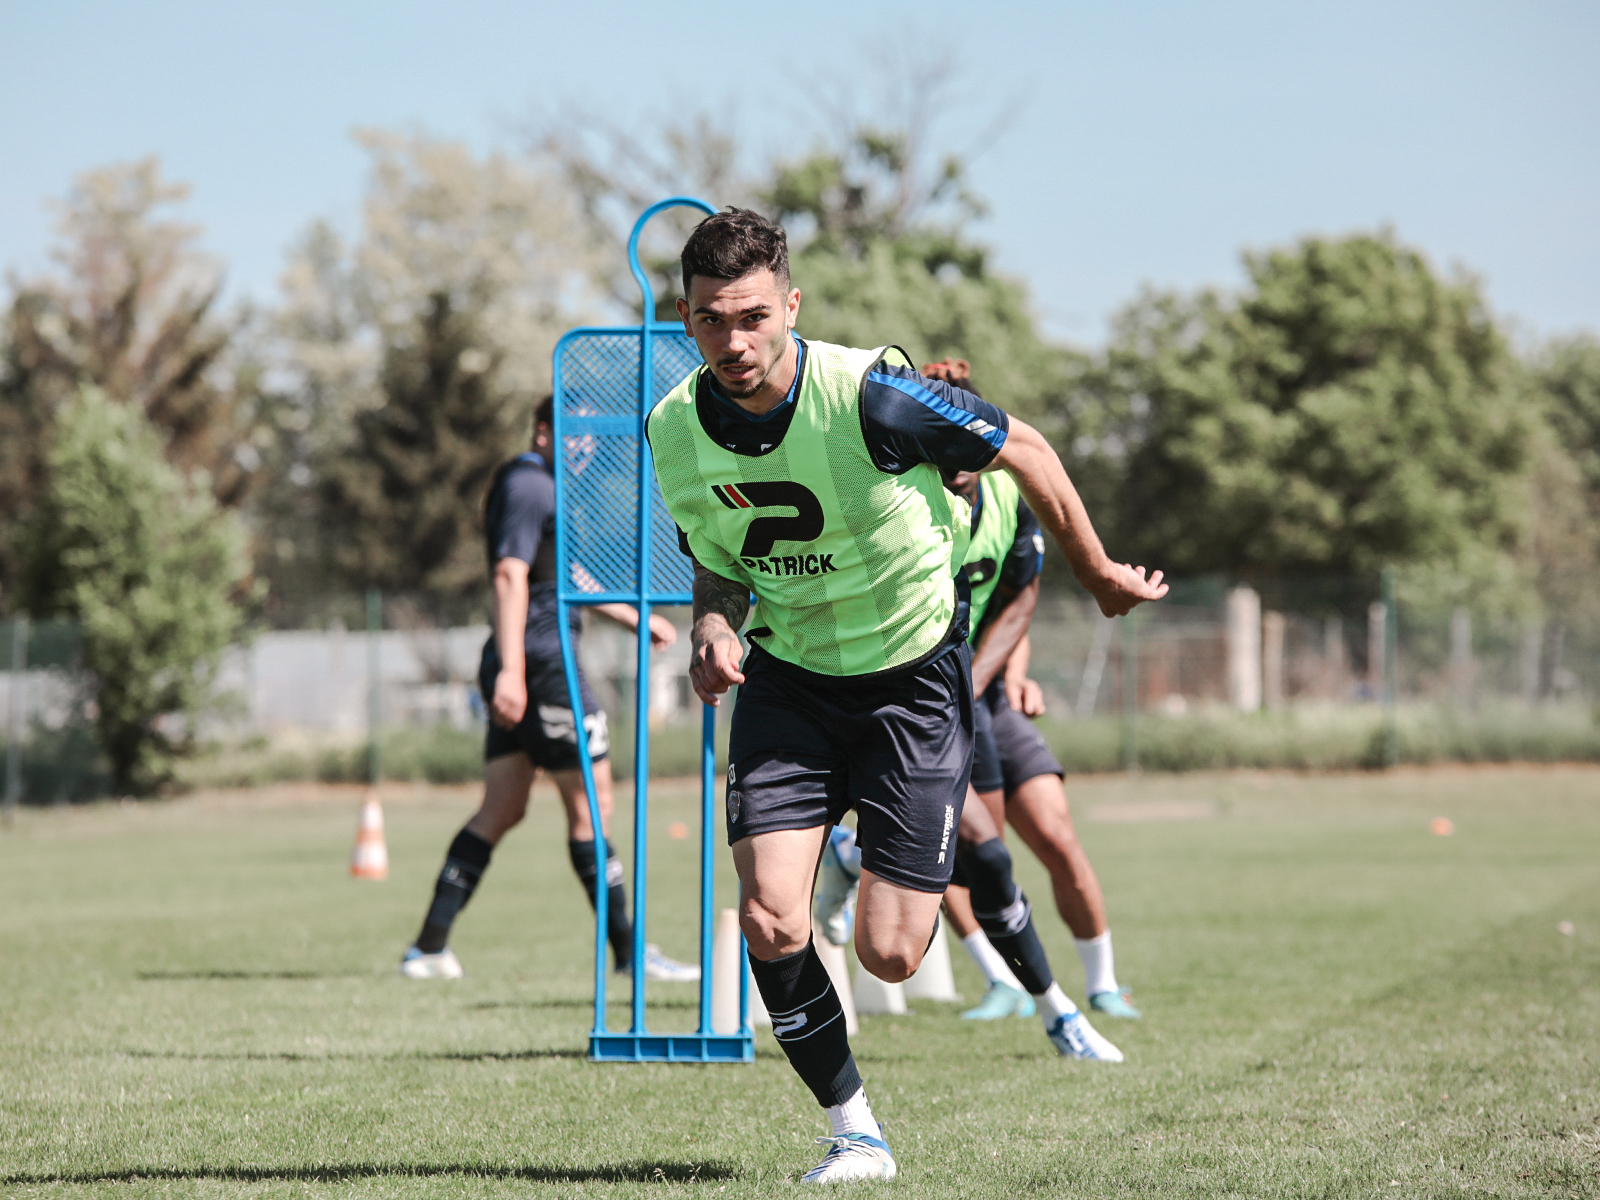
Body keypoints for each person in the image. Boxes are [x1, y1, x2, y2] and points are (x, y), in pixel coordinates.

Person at [648, 209, 1165, 1183]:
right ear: (686, 317)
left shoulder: (874, 396)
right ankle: (854, 1131)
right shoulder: (674, 429)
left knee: (890, 953)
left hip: (913, 687)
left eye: (754, 316)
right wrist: (713, 630)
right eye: (713, 321)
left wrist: (1095, 574)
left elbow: (1029, 449)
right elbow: (715, 567)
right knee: (768, 918)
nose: (735, 341)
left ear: (790, 306)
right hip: (788, 682)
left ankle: (856, 846)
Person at [400, 396, 700, 984]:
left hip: (529, 661)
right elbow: (509, 575)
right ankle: (631, 955)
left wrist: (635, 617)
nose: (583, 448)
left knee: (503, 807)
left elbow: (565, 577)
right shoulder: (530, 483)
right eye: (572, 435)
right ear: (543, 433)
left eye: (590, 437)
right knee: (594, 807)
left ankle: (428, 947)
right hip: (542, 664)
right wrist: (512, 670)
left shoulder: (546, 487)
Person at [918, 358, 1139, 1023]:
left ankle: (1103, 984)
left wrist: (1001, 676)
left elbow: (1019, 603)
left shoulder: (1010, 496)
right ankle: (1002, 979)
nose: (954, 457)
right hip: (935, 695)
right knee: (966, 847)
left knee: (1055, 835)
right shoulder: (905, 498)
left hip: (986, 694)